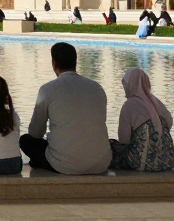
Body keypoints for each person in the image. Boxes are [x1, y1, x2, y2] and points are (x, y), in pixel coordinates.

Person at [19, 42, 112, 175]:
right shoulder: (97, 88)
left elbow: (35, 133)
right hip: (101, 163)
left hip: (65, 165)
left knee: (25, 140)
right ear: (75, 62)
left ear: (54, 63)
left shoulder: (47, 89)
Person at [108, 68, 174, 172]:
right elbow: (169, 123)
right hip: (167, 161)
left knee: (110, 145)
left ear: (130, 84)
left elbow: (124, 140)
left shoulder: (129, 105)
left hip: (140, 163)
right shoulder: (157, 102)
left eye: (125, 83)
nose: (124, 87)